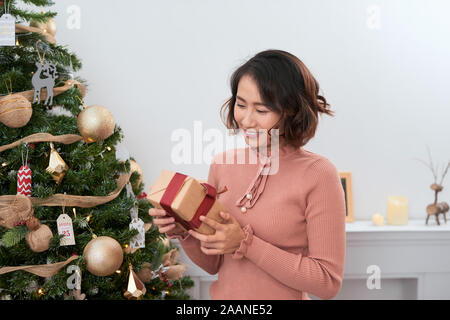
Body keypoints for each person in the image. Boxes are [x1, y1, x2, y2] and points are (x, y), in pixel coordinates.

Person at [149, 49, 346, 300]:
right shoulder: (223, 164)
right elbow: (215, 265)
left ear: (291, 112)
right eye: (240, 105)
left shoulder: (319, 174)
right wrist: (184, 230)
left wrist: (246, 244)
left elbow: (327, 282)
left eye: (261, 111)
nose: (246, 120)